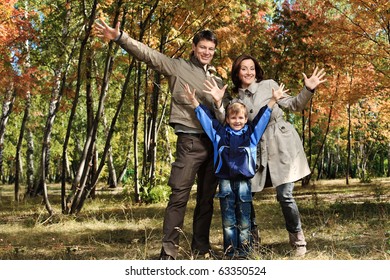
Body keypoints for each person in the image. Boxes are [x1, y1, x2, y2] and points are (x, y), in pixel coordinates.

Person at [95, 19, 226, 260]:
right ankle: (169, 251)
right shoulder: (177, 67)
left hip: (214, 145)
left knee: (206, 200)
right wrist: (120, 37)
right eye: (203, 47)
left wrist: (219, 102)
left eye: (211, 49)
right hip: (190, 141)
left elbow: (224, 118)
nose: (207, 52)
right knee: (179, 196)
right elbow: (147, 54)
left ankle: (201, 248)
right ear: (195, 47)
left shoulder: (217, 81)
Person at [210, 54, 327, 257]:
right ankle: (252, 240)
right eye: (244, 68)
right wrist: (219, 104)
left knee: (285, 195)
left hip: (282, 144)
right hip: (255, 150)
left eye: (252, 68)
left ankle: (298, 240)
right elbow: (225, 121)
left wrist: (308, 89)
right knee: (246, 195)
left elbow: (295, 105)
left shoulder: (269, 85)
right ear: (237, 72)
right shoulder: (235, 98)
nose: (249, 72)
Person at [183, 81, 286, 258]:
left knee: (245, 219)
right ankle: (230, 252)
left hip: (245, 182)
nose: (237, 121)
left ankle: (244, 252)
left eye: (240, 118)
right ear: (228, 119)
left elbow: (263, 116)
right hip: (225, 182)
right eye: (233, 118)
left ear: (246, 119)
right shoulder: (219, 134)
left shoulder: (251, 134)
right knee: (228, 220)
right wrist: (194, 102)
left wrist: (273, 100)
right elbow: (206, 119)